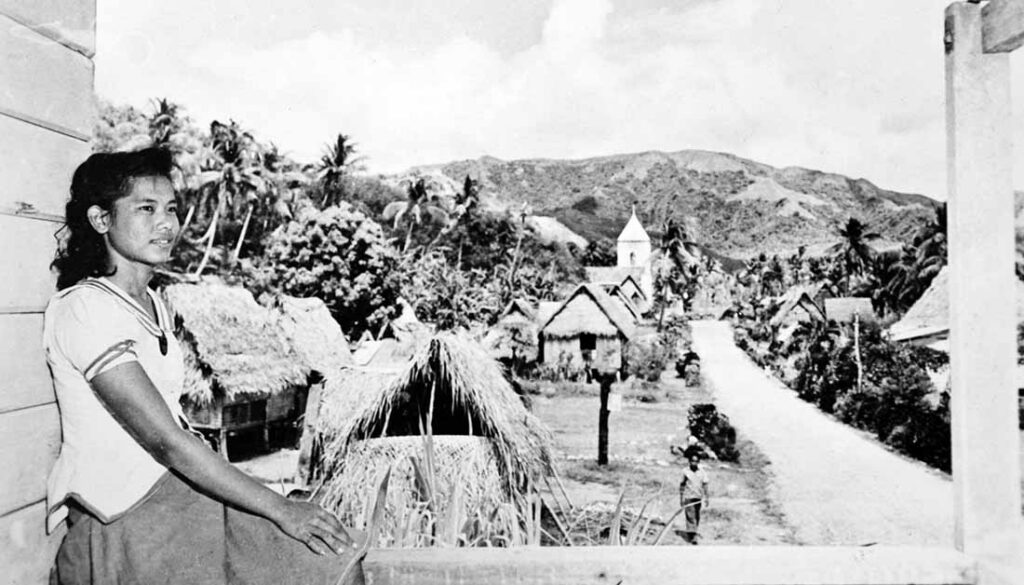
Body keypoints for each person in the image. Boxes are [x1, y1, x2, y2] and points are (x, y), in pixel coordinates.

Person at [44, 149, 364, 585]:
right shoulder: (85, 308)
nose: (166, 224)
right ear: (101, 219)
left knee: (336, 559)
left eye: (171, 209)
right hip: (125, 511)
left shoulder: (152, 302)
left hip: (175, 490)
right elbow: (167, 441)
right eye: (146, 209)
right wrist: (280, 508)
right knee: (318, 558)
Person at [678, 453, 710, 544]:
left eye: (696, 461)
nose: (694, 463)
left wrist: (707, 497)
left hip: (698, 497)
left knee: (696, 516)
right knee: (690, 516)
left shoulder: (702, 472)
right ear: (689, 461)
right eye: (692, 461)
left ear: (698, 462)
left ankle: (692, 532)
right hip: (688, 496)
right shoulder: (685, 471)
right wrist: (681, 498)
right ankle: (693, 536)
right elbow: (682, 485)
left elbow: (705, 485)